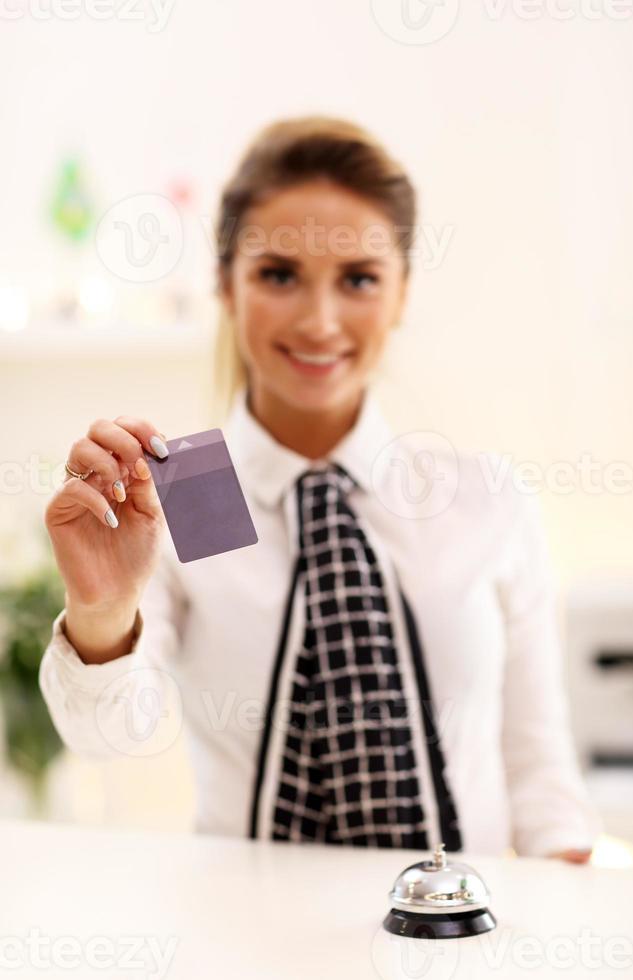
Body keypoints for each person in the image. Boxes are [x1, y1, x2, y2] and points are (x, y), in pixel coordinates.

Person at [39, 116, 599, 860]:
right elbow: (109, 736)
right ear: (225, 285)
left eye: (359, 279)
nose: (320, 320)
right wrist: (103, 610)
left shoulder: (485, 498)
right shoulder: (179, 492)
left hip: (460, 946)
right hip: (246, 948)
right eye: (278, 274)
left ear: (401, 294)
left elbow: (540, 773)